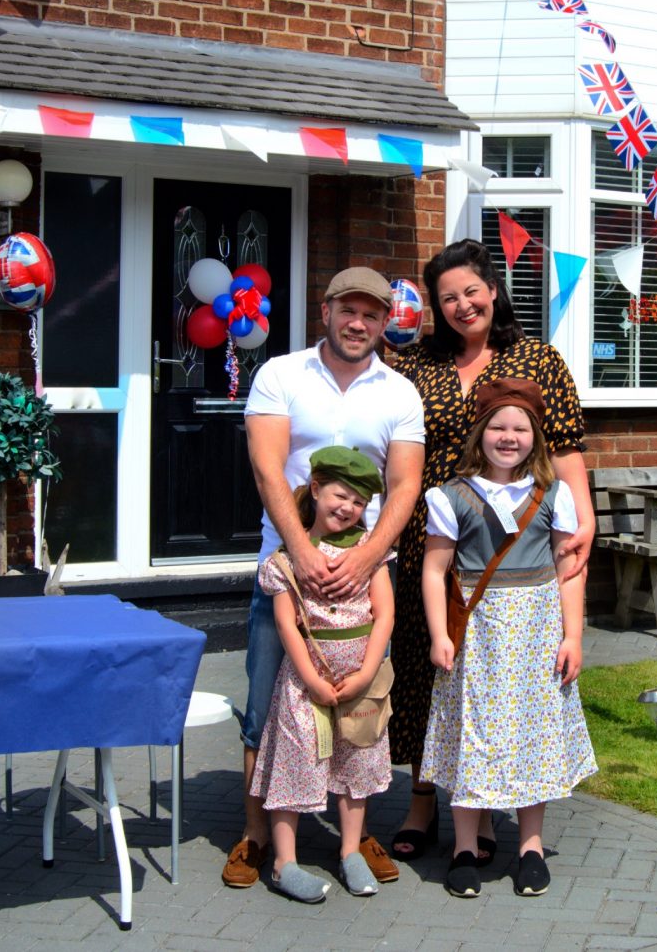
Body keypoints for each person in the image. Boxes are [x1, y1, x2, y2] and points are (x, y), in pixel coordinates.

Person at [384, 240, 593, 863]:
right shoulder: (414, 363)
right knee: (434, 673)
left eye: (470, 291)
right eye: (447, 297)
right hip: (436, 537)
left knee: (507, 679)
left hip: (519, 541)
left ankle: (495, 801)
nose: (461, 304)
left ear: (493, 290)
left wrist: (584, 522)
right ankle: (424, 801)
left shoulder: (538, 359)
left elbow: (567, 447)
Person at [225, 266, 424, 890]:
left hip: (364, 585)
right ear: (327, 311)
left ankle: (352, 837)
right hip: (287, 573)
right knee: (268, 709)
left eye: (372, 313)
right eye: (348, 310)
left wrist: (366, 560)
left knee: (360, 712)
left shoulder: (399, 392)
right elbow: (266, 467)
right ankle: (258, 835)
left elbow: (405, 484)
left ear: (385, 321)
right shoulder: (279, 375)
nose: (358, 323)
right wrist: (302, 551)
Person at [420, 378, 596, 898]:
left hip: (536, 633)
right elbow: (435, 570)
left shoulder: (553, 495)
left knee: (531, 735)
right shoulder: (451, 495)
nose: (508, 436)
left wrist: (574, 636)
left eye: (520, 428)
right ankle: (464, 848)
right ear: (480, 433)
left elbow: (569, 568)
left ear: (536, 437)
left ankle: (531, 847)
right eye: (498, 426)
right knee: (471, 734)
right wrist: (438, 634)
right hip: (477, 634)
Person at [248, 446, 396, 903]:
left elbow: (385, 615)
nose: (347, 507)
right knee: (297, 764)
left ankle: (351, 850)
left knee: (357, 760)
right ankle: (284, 861)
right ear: (315, 489)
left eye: (358, 501)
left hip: (360, 682)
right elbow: (286, 622)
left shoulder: (371, 556)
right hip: (302, 686)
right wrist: (310, 679)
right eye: (340, 494)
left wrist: (368, 671)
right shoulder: (289, 558)